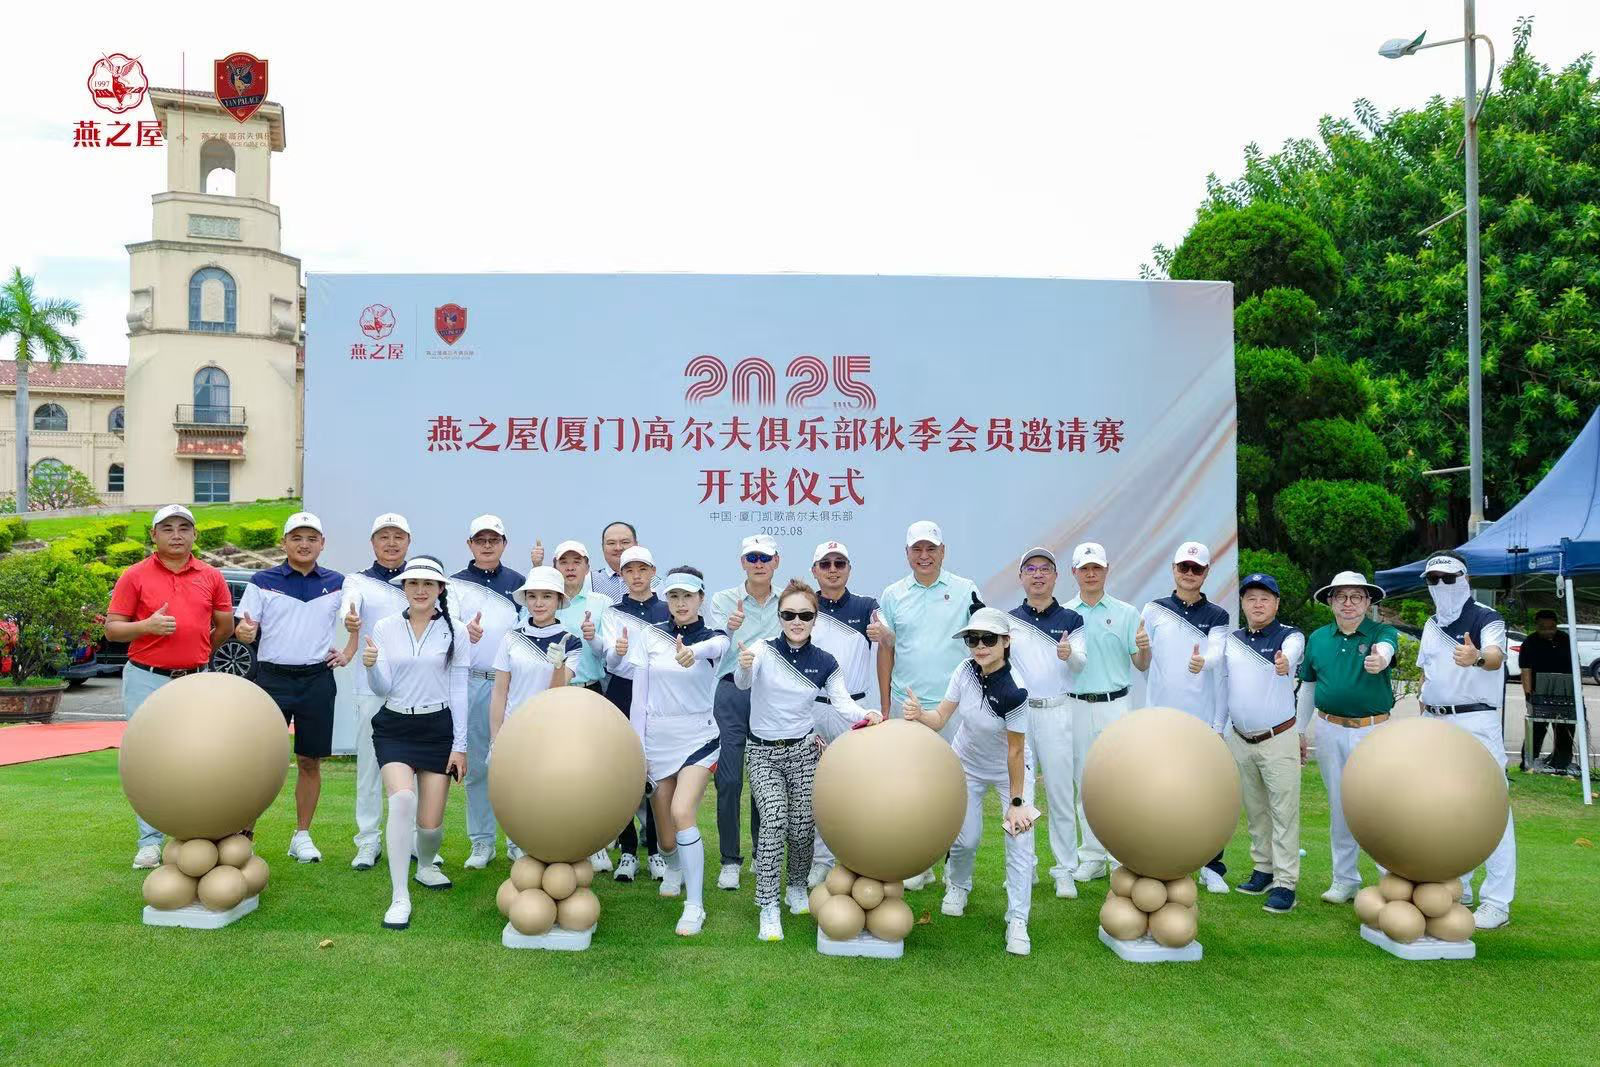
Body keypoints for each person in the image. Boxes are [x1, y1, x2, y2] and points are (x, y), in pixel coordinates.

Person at [736, 579, 880, 942]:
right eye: (789, 615)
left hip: (802, 752)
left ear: (815, 618)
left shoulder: (825, 662)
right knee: (774, 819)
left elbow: (844, 703)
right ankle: (768, 906)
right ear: (779, 617)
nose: (796, 621)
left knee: (802, 828)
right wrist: (744, 666)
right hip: (763, 753)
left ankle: (796, 886)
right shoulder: (763, 650)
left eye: (804, 615)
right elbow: (742, 683)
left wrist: (868, 714)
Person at [105, 504, 234, 869]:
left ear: (194, 535)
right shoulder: (135, 575)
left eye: (183, 528)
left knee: (198, 756)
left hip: (195, 679)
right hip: (145, 678)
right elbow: (112, 629)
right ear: (154, 535)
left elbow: (224, 625)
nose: (176, 535)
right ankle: (149, 841)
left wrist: (200, 650)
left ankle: (196, 833)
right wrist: (146, 627)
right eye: (167, 528)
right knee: (148, 760)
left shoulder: (211, 575)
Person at [905, 606, 1036, 955]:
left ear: (1006, 642)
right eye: (973, 639)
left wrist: (1017, 803)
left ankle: (1018, 919)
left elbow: (1015, 752)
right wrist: (919, 714)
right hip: (966, 764)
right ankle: (958, 885)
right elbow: (940, 717)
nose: (980, 646)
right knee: (965, 839)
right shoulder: (965, 670)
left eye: (988, 639)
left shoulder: (1016, 690)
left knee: (1020, 843)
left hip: (1011, 771)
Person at [605, 566, 728, 936]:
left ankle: (695, 906)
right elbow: (639, 695)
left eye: (688, 596)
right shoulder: (650, 635)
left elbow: (716, 648)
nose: (680, 603)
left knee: (681, 811)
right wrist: (638, 747)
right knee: (665, 838)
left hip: (699, 737)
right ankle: (673, 868)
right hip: (658, 740)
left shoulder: (714, 637)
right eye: (674, 596)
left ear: (701, 598)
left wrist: (691, 652)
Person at [233, 512, 355, 864]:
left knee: (309, 761)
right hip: (272, 680)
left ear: (322, 544)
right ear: (284, 542)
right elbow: (244, 629)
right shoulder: (262, 581)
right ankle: (244, 833)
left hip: (317, 680)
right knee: (260, 762)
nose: (304, 544)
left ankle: (302, 836)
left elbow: (355, 620)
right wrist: (245, 633)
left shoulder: (337, 583)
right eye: (297, 538)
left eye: (312, 538)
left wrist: (348, 651)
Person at [360, 555, 469, 929]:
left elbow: (459, 690)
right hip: (394, 727)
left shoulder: (456, 631)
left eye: (428, 584)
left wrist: (460, 746)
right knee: (402, 799)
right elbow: (382, 687)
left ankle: (424, 866)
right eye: (413, 583)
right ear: (404, 588)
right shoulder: (386, 628)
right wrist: (371, 666)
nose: (420, 590)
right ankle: (399, 897)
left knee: (430, 827)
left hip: (438, 729)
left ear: (440, 589)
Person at [875, 519, 980, 890]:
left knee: (955, 789)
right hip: (908, 708)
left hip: (955, 707)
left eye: (931, 549)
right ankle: (919, 862)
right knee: (913, 788)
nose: (924, 556)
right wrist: (885, 707)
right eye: (917, 549)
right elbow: (886, 650)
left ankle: (954, 867)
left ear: (943, 551)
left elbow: (983, 645)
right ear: (907, 553)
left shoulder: (966, 590)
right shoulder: (892, 594)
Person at [1415, 552, 1515, 930]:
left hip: (1475, 721)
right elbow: (1427, 674)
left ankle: (1497, 900)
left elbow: (1494, 656)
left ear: (1465, 579)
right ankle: (1460, 884)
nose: (1441, 585)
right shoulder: (1431, 624)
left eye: (1448, 578)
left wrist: (1475, 657)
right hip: (1435, 723)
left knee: (1492, 808)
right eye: (1433, 579)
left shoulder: (1487, 618)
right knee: (1444, 808)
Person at [1296, 570, 1397, 905]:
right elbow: (1308, 687)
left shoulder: (1381, 632)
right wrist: (1299, 730)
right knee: (1340, 806)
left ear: (1368, 602)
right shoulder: (1318, 638)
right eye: (1341, 596)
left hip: (1373, 730)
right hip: (1329, 729)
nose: (1349, 603)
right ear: (1330, 601)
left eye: (1356, 596)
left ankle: (1391, 879)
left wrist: (1380, 659)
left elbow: (1386, 650)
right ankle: (1345, 880)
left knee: (1378, 805)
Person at [1138, 540, 1231, 893]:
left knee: (1206, 797)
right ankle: (1160, 857)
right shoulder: (1154, 609)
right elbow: (1142, 661)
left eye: (1197, 568)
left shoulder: (1217, 616)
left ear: (1206, 573)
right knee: (1158, 793)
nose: (1190, 573)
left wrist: (1202, 661)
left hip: (1200, 723)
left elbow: (1217, 652)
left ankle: (1211, 866)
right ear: (1174, 569)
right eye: (1184, 567)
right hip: (1159, 722)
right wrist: (1141, 650)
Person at [1218, 572, 1305, 914]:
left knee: (1283, 812)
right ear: (1242, 603)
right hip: (1240, 739)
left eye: (1265, 598)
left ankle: (1285, 882)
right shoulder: (1233, 640)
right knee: (1256, 812)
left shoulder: (1289, 637)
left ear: (1276, 603)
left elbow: (1292, 654)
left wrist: (1285, 662)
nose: (1258, 604)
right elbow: (1224, 684)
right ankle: (1264, 869)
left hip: (1277, 738)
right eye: (1251, 598)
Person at [1063, 541, 1148, 883]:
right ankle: (1092, 856)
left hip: (1116, 705)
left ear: (1107, 569)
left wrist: (1145, 650)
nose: (1091, 574)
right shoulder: (1063, 614)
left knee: (1118, 783)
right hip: (1077, 705)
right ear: (1074, 572)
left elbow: (1140, 663)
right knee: (1085, 782)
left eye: (1096, 567)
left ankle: (1118, 855)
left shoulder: (1127, 612)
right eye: (1084, 568)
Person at [1004, 547, 1085, 899]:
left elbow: (1080, 664)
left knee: (1060, 793)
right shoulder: (1008, 621)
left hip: (1057, 711)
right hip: (1020, 714)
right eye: (1031, 569)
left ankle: (1064, 869)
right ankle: (1026, 866)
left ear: (1055, 576)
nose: (1038, 575)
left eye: (1045, 569)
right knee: (1020, 794)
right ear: (1021, 577)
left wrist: (1070, 654)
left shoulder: (1071, 619)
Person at [707, 534, 784, 891]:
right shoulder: (724, 600)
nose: (758, 564)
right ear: (742, 562)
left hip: (771, 695)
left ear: (776, 561)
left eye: (764, 557)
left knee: (762, 777)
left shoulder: (787, 601)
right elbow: (718, 644)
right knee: (729, 779)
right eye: (752, 558)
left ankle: (759, 852)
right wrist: (731, 626)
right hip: (731, 693)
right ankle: (729, 860)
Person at [488, 567, 583, 854]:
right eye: (532, 596)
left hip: (551, 731)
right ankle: (516, 843)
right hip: (514, 728)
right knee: (516, 792)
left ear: (558, 600)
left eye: (546, 596)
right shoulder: (511, 637)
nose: (539, 603)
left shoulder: (571, 641)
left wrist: (558, 665)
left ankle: (545, 843)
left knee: (546, 792)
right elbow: (500, 691)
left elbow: (557, 692)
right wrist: (496, 738)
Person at [803, 539, 881, 887]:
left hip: (853, 711)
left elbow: (885, 634)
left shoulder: (866, 606)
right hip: (815, 709)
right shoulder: (805, 607)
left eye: (839, 563)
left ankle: (856, 857)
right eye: (826, 564)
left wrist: (884, 633)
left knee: (855, 789)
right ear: (814, 570)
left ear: (849, 568)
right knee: (819, 789)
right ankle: (821, 860)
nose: (832, 570)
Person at [450, 515, 525, 870]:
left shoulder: (519, 584)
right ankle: (482, 841)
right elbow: (448, 626)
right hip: (474, 682)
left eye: (493, 539)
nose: (487, 545)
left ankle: (517, 839)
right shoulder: (454, 584)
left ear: (504, 543)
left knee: (515, 766)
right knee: (479, 766)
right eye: (480, 540)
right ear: (470, 545)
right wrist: (464, 632)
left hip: (513, 685)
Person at [338, 512, 412, 872]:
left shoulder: (419, 580)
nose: (391, 543)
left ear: (408, 542)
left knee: (414, 768)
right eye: (384, 536)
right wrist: (349, 618)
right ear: (373, 543)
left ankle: (414, 838)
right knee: (369, 767)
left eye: (398, 536)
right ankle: (368, 840)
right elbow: (350, 605)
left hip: (414, 690)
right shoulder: (358, 580)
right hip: (370, 687)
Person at [597, 545, 670, 881]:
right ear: (622, 575)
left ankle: (655, 850)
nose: (636, 576)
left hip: (658, 693)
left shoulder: (667, 610)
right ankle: (628, 851)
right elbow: (611, 663)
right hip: (622, 690)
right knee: (620, 770)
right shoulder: (613, 612)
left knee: (655, 769)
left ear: (653, 571)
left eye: (642, 569)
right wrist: (618, 652)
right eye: (629, 570)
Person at [549, 540, 617, 874]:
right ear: (555, 566)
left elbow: (610, 653)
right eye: (564, 562)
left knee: (593, 772)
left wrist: (593, 637)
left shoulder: (601, 603)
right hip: (553, 696)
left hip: (590, 692)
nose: (571, 567)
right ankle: (560, 836)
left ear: (587, 567)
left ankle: (597, 842)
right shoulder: (546, 598)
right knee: (559, 772)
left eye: (577, 561)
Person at [1520, 609, 1575, 774]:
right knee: (1536, 730)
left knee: (1565, 729)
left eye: (1551, 627)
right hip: (1538, 693)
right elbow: (1525, 670)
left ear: (1556, 625)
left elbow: (1575, 665)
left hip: (1565, 692)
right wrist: (1529, 695)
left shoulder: (1565, 639)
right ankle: (1528, 763)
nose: (1548, 631)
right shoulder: (1529, 642)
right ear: (1536, 625)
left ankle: (1560, 763)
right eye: (1543, 628)